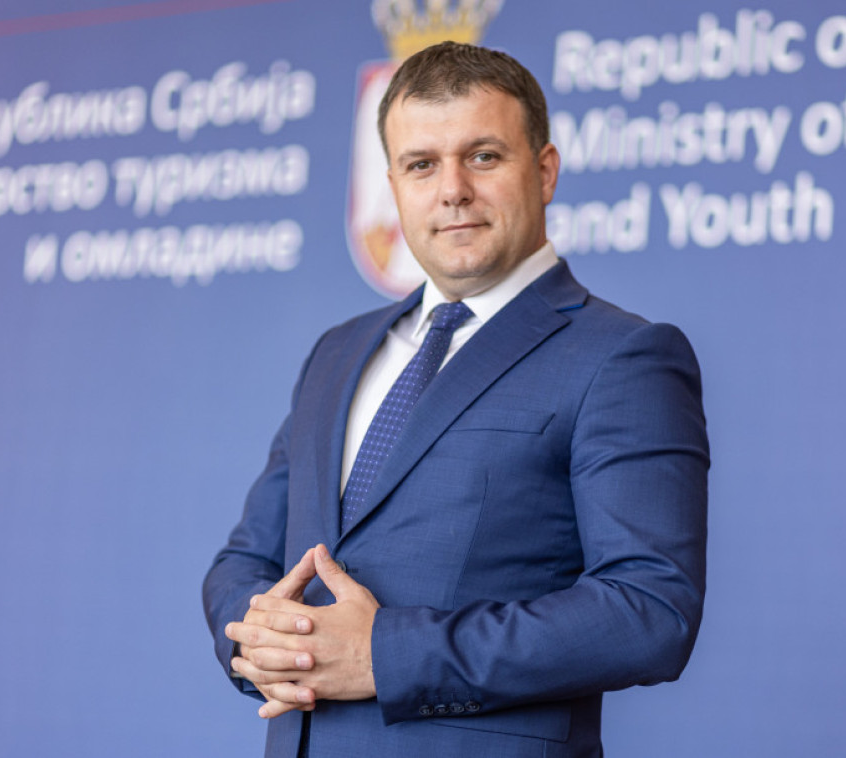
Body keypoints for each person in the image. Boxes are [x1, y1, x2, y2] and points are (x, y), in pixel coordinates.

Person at [203, 41, 709, 758]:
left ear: (544, 171)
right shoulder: (337, 353)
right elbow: (247, 558)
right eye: (421, 165)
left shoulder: (623, 356)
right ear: (393, 185)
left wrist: (388, 655)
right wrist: (253, 639)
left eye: (483, 156)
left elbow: (649, 611)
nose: (453, 190)